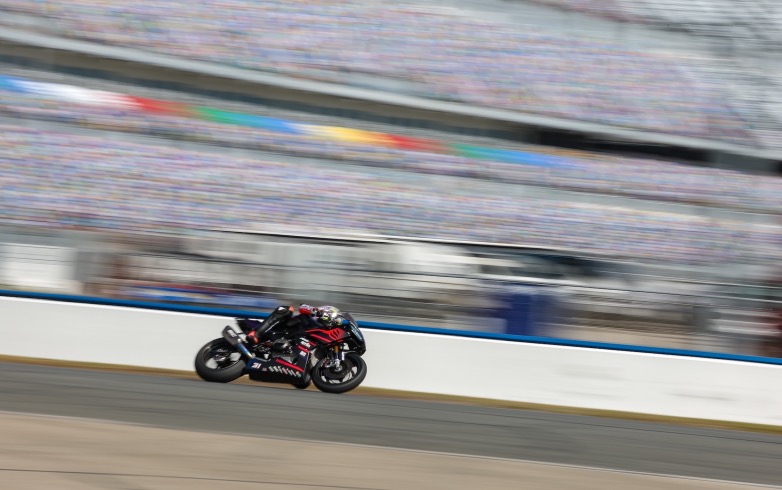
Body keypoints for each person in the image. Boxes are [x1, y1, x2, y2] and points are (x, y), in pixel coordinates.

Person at [244, 304, 343, 345]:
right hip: (280, 330)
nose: (337, 322)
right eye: (336, 319)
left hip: (288, 343)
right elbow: (302, 307)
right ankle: (256, 333)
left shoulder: (322, 333)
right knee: (287, 309)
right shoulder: (311, 316)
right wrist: (316, 311)